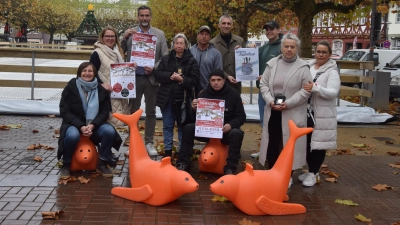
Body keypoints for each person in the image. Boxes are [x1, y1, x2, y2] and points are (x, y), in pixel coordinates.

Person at [258, 33, 312, 188]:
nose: (289, 49)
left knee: (289, 145)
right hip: (273, 109)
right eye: (286, 46)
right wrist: (269, 100)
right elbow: (264, 84)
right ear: (281, 47)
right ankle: (272, 171)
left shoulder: (303, 67)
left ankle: (287, 175)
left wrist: (288, 103)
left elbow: (306, 90)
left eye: (292, 47)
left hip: (291, 111)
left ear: (297, 48)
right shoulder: (272, 63)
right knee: (273, 143)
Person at [57, 62, 123, 179]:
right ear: (79, 73)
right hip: (73, 125)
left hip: (94, 126)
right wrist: (81, 126)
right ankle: (66, 164)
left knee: (109, 131)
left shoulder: (101, 90)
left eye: (90, 71)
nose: (87, 73)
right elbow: (65, 111)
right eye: (84, 71)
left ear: (94, 74)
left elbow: (104, 112)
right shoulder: (70, 88)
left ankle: (102, 162)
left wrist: (92, 125)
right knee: (72, 135)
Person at [176, 69, 246, 175]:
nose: (216, 82)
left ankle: (230, 167)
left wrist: (231, 125)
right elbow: (195, 119)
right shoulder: (203, 94)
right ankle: (184, 163)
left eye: (219, 80)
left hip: (225, 131)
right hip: (207, 131)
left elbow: (241, 116)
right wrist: (194, 110)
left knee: (237, 133)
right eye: (213, 80)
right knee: (188, 128)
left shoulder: (234, 95)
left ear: (224, 80)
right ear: (209, 81)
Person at [121, 5, 169, 155]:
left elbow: (165, 57)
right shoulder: (130, 33)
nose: (144, 18)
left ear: (150, 17)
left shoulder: (159, 34)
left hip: (151, 79)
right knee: (133, 111)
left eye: (147, 15)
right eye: (141, 15)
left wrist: (154, 67)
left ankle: (148, 142)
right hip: (134, 78)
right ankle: (132, 142)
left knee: (151, 112)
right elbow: (118, 51)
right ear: (137, 17)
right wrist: (124, 38)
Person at [299, 40, 340, 186]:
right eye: (318, 51)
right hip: (306, 111)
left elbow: (333, 93)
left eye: (324, 52)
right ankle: (310, 171)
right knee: (307, 143)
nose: (320, 54)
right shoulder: (308, 66)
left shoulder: (332, 72)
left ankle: (314, 172)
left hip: (321, 114)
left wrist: (315, 88)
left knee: (318, 145)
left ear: (329, 54)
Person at [154, 33, 200, 158]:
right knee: (167, 125)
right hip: (167, 99)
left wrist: (181, 80)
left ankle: (181, 151)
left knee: (182, 126)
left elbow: (195, 81)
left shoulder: (191, 61)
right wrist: (170, 76)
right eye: (176, 43)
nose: (179, 46)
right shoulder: (166, 58)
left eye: (181, 43)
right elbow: (157, 74)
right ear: (173, 45)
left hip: (183, 101)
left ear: (185, 45)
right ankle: (168, 151)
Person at [251, 21, 284, 158]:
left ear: (278, 30)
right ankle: (265, 150)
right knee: (264, 122)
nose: (269, 31)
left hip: (277, 92)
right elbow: (251, 62)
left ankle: (277, 151)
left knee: (277, 123)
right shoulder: (263, 48)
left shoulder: (283, 47)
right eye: (267, 29)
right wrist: (243, 51)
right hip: (262, 92)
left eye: (272, 29)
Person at [90, 26, 130, 128]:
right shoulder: (97, 53)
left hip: (118, 92)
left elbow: (121, 70)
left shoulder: (118, 52)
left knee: (117, 123)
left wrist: (130, 67)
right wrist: (101, 84)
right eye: (107, 36)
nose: (110, 38)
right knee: (107, 123)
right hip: (106, 93)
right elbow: (91, 73)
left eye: (112, 36)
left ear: (116, 38)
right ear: (102, 38)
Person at [210, 15, 246, 94]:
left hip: (235, 85)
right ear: (219, 25)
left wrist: (249, 49)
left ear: (232, 26)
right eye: (224, 23)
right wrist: (226, 76)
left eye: (229, 24)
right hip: (218, 85)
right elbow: (213, 65)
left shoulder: (240, 41)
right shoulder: (212, 43)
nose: (226, 26)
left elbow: (247, 60)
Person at [190, 25, 223, 92]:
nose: (204, 36)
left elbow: (218, 74)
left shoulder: (216, 53)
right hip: (190, 91)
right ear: (197, 35)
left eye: (207, 34)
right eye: (202, 34)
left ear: (210, 37)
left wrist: (207, 89)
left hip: (209, 91)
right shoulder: (190, 51)